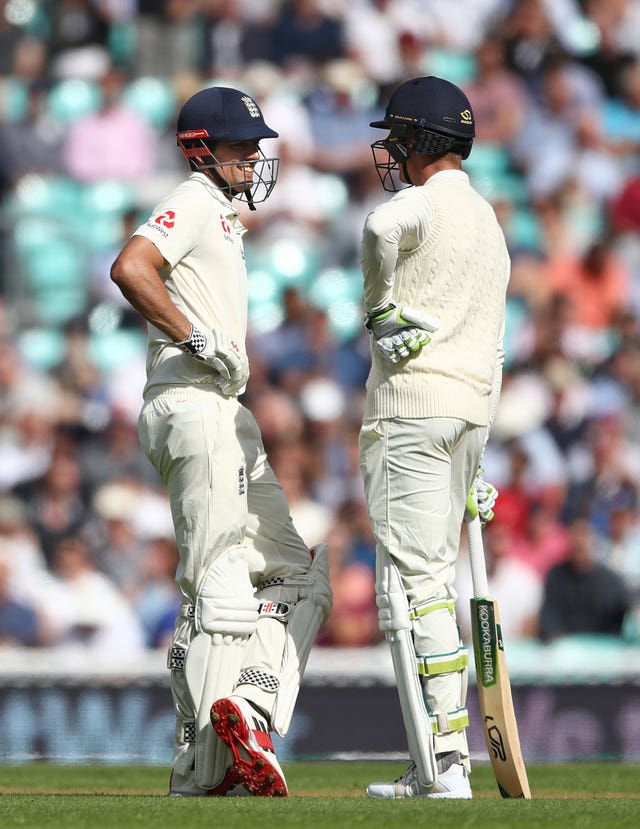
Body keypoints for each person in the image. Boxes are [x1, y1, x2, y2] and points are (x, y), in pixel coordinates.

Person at [110, 86, 331, 798]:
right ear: (202, 149)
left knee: (299, 574)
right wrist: (195, 335)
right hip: (191, 399)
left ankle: (251, 708)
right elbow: (131, 266)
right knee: (219, 584)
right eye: (240, 147)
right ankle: (200, 771)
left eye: (255, 146)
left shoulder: (224, 215)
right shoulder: (195, 199)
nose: (254, 158)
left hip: (226, 410)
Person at [358, 76, 510, 799]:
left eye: (396, 138)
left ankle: (445, 761)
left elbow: (379, 229)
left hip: (413, 412)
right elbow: (497, 345)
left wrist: (379, 306)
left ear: (419, 141)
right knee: (433, 578)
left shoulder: (417, 204)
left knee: (414, 582)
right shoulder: (489, 220)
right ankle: (441, 756)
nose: (390, 151)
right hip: (470, 411)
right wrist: (484, 441)